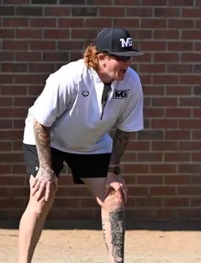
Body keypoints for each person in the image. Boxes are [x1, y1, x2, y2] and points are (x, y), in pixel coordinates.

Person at [18, 26, 145, 263]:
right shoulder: (70, 77)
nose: (127, 62)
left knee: (114, 196)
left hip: (91, 142)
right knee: (42, 196)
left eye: (129, 57)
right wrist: (46, 170)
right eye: (121, 57)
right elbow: (40, 124)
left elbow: (125, 131)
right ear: (102, 58)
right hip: (48, 138)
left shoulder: (131, 82)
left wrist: (112, 171)